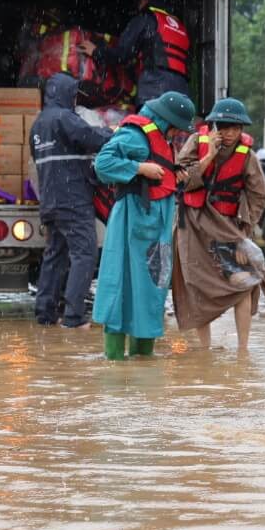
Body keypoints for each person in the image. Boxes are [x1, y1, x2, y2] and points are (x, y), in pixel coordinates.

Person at [92, 91, 197, 360]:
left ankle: (143, 362)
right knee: (122, 286)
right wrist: (139, 168)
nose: (176, 134)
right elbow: (102, 163)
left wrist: (173, 172)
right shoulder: (134, 134)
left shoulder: (160, 137)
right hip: (132, 222)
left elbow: (158, 166)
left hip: (156, 228)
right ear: (166, 120)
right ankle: (114, 361)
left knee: (153, 289)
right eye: (175, 127)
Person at [172, 97, 265, 353]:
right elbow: (182, 182)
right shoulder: (196, 143)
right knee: (196, 285)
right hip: (193, 225)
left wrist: (244, 236)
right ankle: (204, 351)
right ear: (213, 126)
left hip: (229, 226)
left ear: (242, 130)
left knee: (245, 283)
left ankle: (242, 350)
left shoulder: (247, 156)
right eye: (223, 127)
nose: (229, 133)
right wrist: (209, 157)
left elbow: (258, 196)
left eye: (235, 128)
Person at [29, 72, 113, 328]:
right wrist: (114, 133)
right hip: (73, 199)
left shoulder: (39, 123)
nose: (76, 98)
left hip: (51, 201)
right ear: (65, 93)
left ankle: (45, 314)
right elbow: (92, 139)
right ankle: (74, 318)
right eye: (74, 93)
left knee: (55, 255)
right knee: (84, 254)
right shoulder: (65, 118)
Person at [88, 0, 191, 104]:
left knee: (148, 120)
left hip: (155, 85)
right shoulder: (180, 26)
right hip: (182, 88)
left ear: (145, 1)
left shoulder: (145, 18)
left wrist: (95, 51)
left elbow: (123, 54)